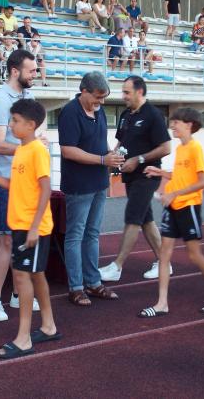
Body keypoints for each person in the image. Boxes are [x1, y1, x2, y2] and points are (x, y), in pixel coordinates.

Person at [0, 99, 60, 359]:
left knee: (22, 277)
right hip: (20, 223)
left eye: (15, 121)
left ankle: (24, 337)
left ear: (30, 125)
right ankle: (49, 326)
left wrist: (33, 228)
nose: (10, 125)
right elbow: (11, 185)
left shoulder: (37, 151)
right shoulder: (21, 150)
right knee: (36, 274)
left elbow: (45, 190)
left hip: (33, 226)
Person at [138, 108, 204, 317]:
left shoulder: (196, 149)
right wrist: (161, 173)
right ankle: (162, 303)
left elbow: (202, 182)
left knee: (194, 255)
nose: (172, 126)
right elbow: (181, 177)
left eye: (176, 122)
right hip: (173, 205)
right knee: (163, 254)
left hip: (188, 207)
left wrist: (174, 194)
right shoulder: (180, 149)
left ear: (188, 125)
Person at [0, 49, 41, 321]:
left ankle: (18, 293)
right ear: (15, 71)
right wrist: (29, 147)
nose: (35, 74)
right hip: (7, 182)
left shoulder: (28, 97)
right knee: (6, 240)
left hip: (27, 181)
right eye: (31, 70)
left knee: (23, 240)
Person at [58, 71, 123, 306]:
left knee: (93, 233)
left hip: (98, 182)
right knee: (76, 235)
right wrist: (103, 160)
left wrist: (109, 156)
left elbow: (100, 142)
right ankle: (76, 287)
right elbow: (68, 150)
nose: (101, 102)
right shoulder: (70, 112)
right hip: (79, 184)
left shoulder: (99, 110)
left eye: (104, 98)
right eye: (98, 97)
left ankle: (93, 282)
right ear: (83, 91)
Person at [98, 76, 171, 282]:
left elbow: (166, 148)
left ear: (140, 92)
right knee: (145, 219)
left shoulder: (153, 115)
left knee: (132, 217)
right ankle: (164, 262)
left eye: (127, 92)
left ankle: (117, 266)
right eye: (123, 92)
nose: (124, 96)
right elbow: (121, 142)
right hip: (130, 175)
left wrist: (138, 159)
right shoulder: (126, 115)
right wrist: (111, 159)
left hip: (147, 175)